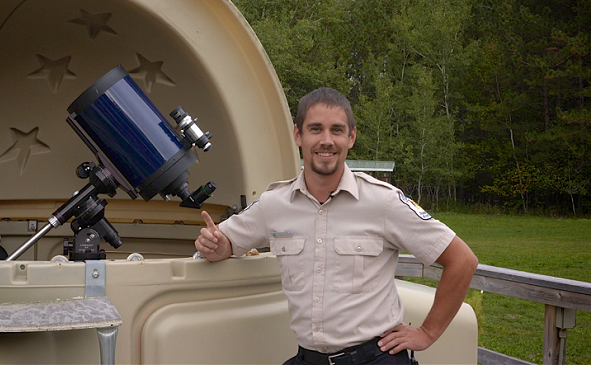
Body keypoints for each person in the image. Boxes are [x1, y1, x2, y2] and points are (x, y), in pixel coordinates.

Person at [195, 87, 478, 365]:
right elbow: (226, 243)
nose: (326, 140)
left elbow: (462, 261)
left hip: (374, 358)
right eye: (316, 129)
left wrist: (427, 333)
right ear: (298, 135)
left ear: (351, 137)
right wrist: (215, 246)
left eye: (337, 130)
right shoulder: (274, 204)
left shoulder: (383, 202)